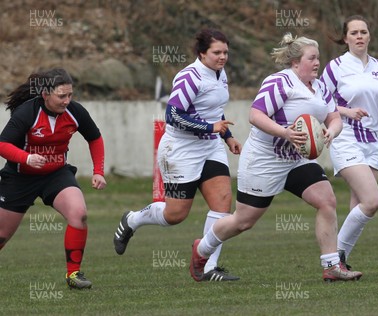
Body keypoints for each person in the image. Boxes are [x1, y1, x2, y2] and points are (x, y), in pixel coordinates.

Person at [194, 33, 363, 282]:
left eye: (318, 58)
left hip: (297, 158)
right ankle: (201, 250)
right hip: (265, 159)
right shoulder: (280, 82)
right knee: (243, 221)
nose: (317, 63)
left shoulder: (320, 87)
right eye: (312, 58)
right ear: (296, 62)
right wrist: (285, 132)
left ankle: (332, 266)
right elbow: (256, 115)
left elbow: (334, 117)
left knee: (327, 201)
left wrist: (331, 132)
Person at [112, 29, 243, 282]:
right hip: (181, 149)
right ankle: (132, 219)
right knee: (175, 215)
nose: (223, 57)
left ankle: (207, 267)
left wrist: (227, 137)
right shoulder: (189, 77)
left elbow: (214, 108)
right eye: (217, 52)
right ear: (202, 53)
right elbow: (173, 115)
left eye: (226, 52)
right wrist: (210, 128)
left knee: (222, 203)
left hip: (210, 147)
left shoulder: (220, 73)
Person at [0, 68, 107, 289]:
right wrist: (26, 158)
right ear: (45, 94)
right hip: (20, 177)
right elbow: (2, 145)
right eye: (61, 96)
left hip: (56, 174)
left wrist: (98, 171)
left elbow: (95, 138)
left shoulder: (75, 112)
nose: (67, 101)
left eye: (70, 95)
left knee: (79, 213)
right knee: (2, 235)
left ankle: (74, 274)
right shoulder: (26, 112)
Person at [320, 15, 378, 271]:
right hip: (345, 137)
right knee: (372, 201)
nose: (359, 36)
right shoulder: (336, 67)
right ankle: (334, 257)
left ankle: (338, 262)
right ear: (345, 38)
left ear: (369, 36)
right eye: (353, 32)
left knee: (359, 204)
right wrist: (346, 111)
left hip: (372, 141)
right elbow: (319, 102)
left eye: (363, 32)